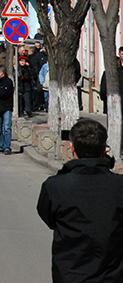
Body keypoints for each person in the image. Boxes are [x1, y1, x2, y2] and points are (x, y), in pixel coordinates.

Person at [37, 119, 123, 283]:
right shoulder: (119, 186)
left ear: (72, 148)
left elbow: (49, 218)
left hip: (70, 273)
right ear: (104, 149)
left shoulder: (55, 186)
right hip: (112, 274)